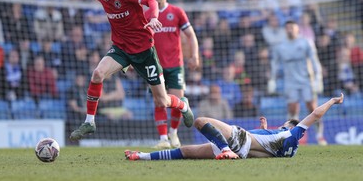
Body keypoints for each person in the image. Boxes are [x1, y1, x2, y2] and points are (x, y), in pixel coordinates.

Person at [55, 0, 194, 141]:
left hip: (144, 51)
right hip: (121, 48)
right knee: (97, 74)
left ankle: (183, 105)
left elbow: (150, 1)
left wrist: (153, 17)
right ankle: (89, 121)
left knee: (162, 101)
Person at [125, 93, 344, 161]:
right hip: (244, 152)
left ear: (290, 125)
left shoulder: (292, 131)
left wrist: (333, 101)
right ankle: (141, 156)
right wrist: (265, 129)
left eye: (285, 124)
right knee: (186, 152)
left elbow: (315, 114)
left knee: (201, 121)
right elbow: (266, 147)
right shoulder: (288, 150)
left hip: (240, 141)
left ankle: (224, 149)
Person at [144, 0, 200, 149]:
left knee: (177, 99)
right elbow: (138, 39)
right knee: (159, 101)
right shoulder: (146, 15)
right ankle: (163, 139)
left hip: (175, 64)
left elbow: (190, 35)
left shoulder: (176, 12)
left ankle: (173, 133)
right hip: (154, 65)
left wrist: (195, 55)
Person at [268, 20, 326, 145]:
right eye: (287, 28)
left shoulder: (306, 42)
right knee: (293, 108)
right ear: (285, 30)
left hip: (306, 80)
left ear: (297, 29)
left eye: (292, 28)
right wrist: (272, 79)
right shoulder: (280, 46)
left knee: (312, 108)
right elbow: (275, 63)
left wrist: (318, 78)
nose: (289, 30)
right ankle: (290, 136)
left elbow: (314, 60)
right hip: (290, 82)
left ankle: (320, 136)